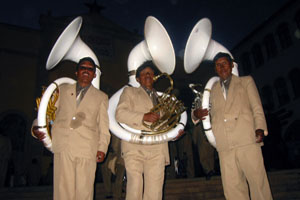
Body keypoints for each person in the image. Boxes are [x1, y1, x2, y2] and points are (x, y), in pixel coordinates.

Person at [193, 52, 273, 200]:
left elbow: (257, 107)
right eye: (218, 65)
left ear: (231, 65)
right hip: (224, 145)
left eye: (224, 63)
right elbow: (199, 111)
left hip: (247, 139)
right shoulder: (210, 90)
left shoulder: (246, 81)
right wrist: (196, 115)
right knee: (232, 190)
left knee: (258, 184)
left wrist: (260, 127)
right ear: (215, 69)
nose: (222, 67)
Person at [32, 57, 111, 200]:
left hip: (87, 149)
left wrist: (102, 148)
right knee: (63, 191)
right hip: (63, 146)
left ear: (94, 74)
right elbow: (47, 113)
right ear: (77, 72)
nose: (86, 71)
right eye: (83, 68)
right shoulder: (62, 90)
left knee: (84, 192)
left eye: (90, 69)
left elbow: (104, 126)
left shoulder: (102, 97)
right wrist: (37, 128)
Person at [115, 61, 184, 200]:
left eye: (151, 73)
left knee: (155, 192)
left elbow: (166, 124)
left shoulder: (162, 98)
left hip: (158, 149)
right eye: (144, 73)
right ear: (138, 79)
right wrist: (143, 117)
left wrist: (174, 134)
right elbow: (119, 114)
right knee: (134, 188)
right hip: (135, 147)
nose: (148, 75)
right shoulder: (129, 91)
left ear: (154, 77)